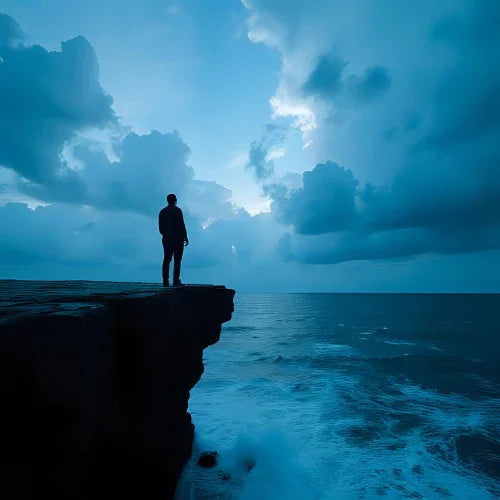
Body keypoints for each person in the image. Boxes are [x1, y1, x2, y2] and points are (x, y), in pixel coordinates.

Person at [158, 194, 189, 286]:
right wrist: (185, 237)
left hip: (167, 239)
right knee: (177, 260)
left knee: (167, 259)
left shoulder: (162, 211)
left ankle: (165, 280)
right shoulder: (178, 211)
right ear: (175, 200)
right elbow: (182, 225)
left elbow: (161, 228)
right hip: (178, 239)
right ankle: (176, 280)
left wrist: (166, 234)